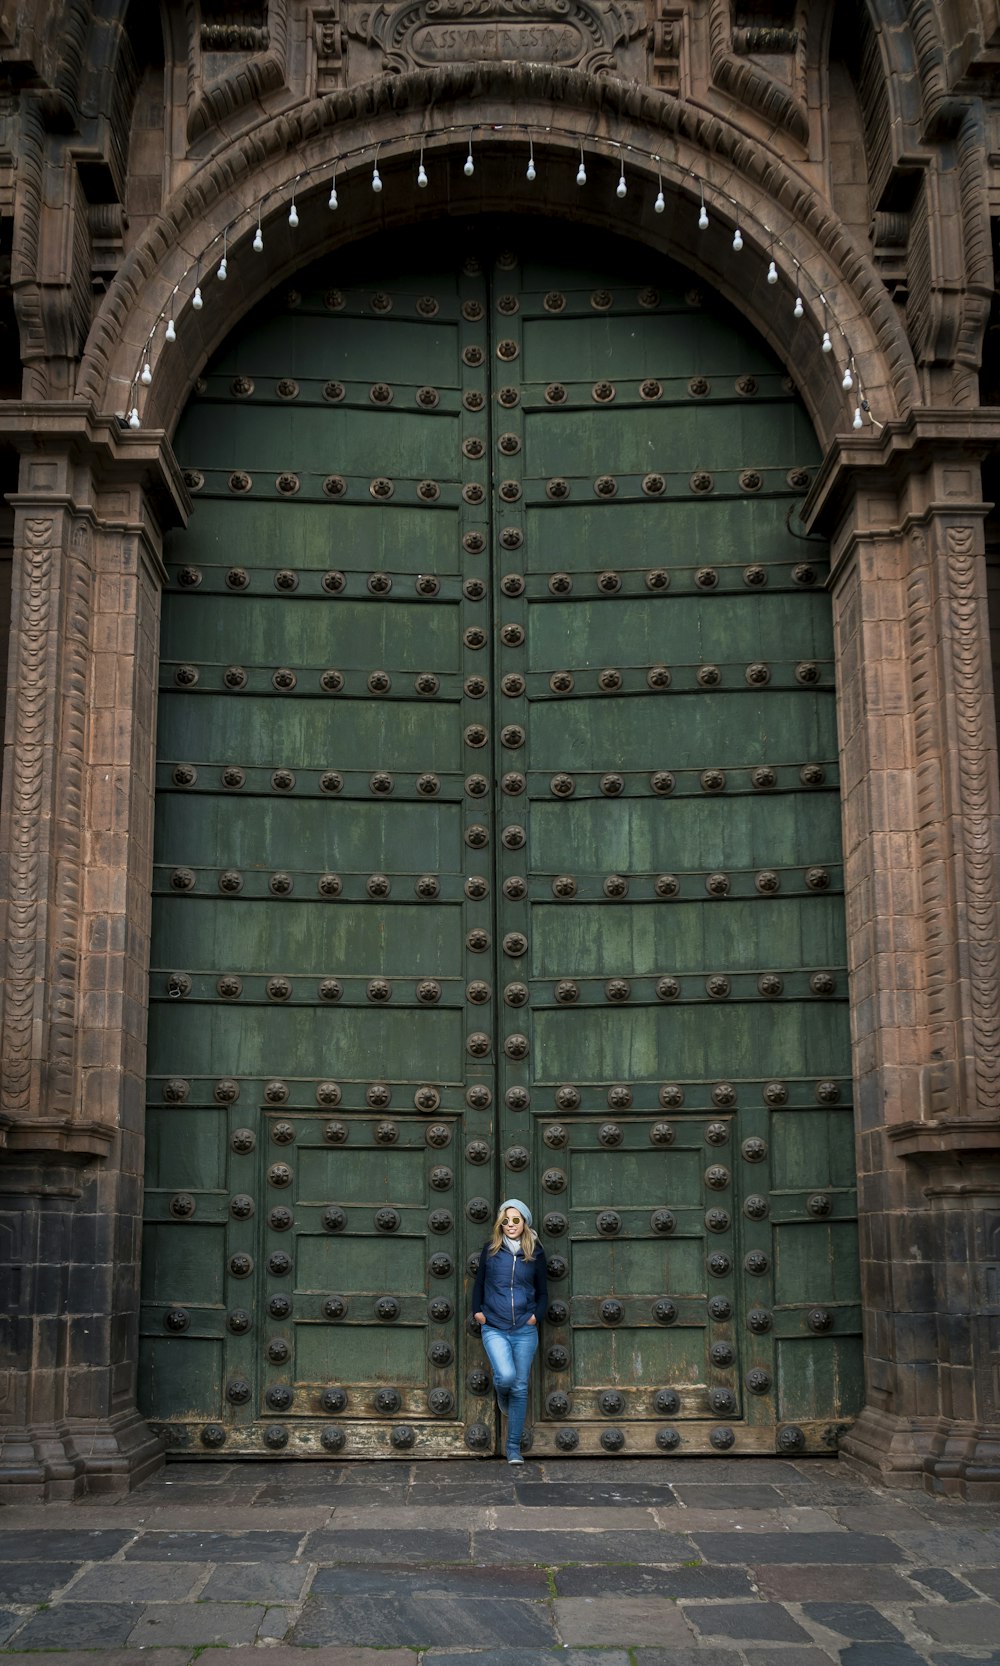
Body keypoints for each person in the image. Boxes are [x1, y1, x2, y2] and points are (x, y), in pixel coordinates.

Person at [470, 1197, 548, 1464]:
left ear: (524, 1223)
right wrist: (477, 1312)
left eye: (516, 1220)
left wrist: (536, 1316)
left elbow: (543, 1291)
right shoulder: (491, 1250)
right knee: (506, 1377)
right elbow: (479, 1283)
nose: (511, 1225)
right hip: (494, 1325)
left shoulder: (535, 1252)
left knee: (521, 1386)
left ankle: (513, 1448)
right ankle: (501, 1391)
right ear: (500, 1223)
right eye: (506, 1220)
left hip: (525, 1328)